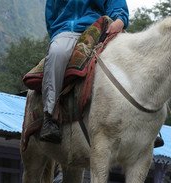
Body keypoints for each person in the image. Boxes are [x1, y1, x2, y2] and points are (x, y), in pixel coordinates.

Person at [40, 0, 129, 143]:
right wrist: (58, 33)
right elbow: (51, 15)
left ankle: (142, 120)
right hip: (67, 30)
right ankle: (50, 116)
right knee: (57, 53)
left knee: (128, 51)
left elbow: (116, 3)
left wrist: (119, 19)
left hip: (99, 29)